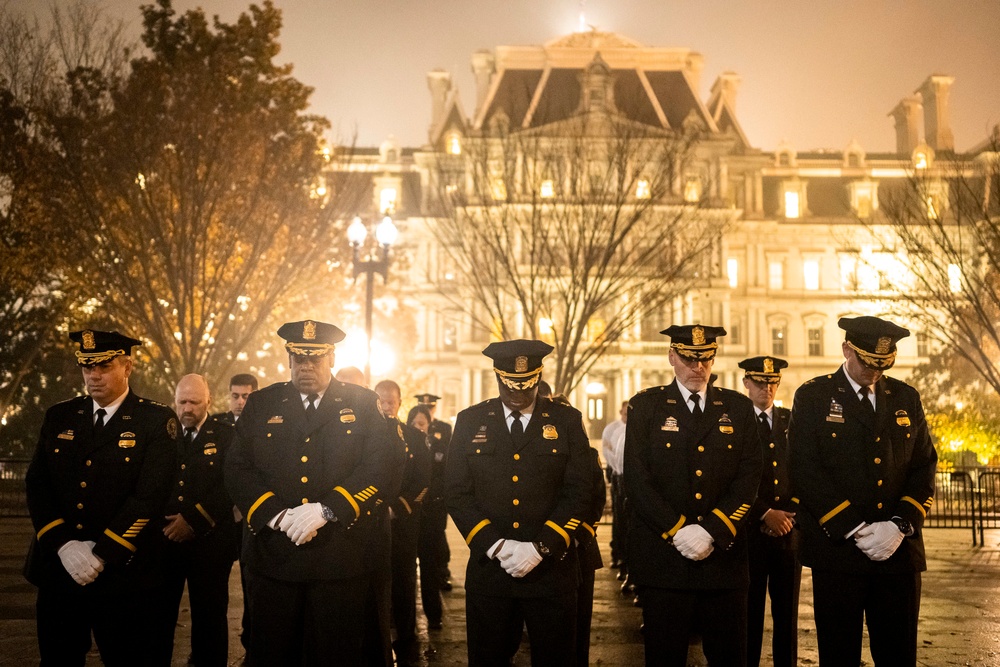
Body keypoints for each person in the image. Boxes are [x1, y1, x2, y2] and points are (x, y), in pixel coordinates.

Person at [224, 320, 399, 666]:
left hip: (339, 557)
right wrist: (275, 514)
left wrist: (329, 509)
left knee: (335, 654)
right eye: (298, 358)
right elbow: (237, 467)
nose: (306, 367)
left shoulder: (362, 404)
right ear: (288, 358)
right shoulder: (262, 403)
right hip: (275, 557)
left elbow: (382, 467)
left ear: (331, 358)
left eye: (315, 359)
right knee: (272, 654)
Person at [789, 316, 937, 666]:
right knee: (839, 654)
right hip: (839, 551)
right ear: (846, 350)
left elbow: (924, 465)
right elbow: (804, 469)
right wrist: (853, 527)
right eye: (868, 362)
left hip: (898, 551)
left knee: (899, 654)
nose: (875, 372)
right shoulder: (813, 396)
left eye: (883, 364)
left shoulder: (905, 396)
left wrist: (899, 525)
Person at [24, 329, 178, 666]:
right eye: (87, 367)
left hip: (124, 573)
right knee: (57, 659)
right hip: (60, 570)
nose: (94, 376)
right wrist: (64, 545)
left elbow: (149, 495)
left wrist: (101, 552)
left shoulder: (155, 420)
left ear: (127, 367)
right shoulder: (60, 416)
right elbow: (38, 484)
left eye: (104, 367)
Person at [446, 339, 593, 666]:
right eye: (510, 385)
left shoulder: (566, 421)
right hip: (491, 573)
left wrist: (542, 546)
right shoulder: (470, 421)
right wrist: (494, 545)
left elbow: (581, 491)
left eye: (528, 385)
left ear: (539, 378)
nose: (519, 393)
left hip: (552, 572)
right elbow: (456, 492)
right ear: (498, 377)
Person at [623, 324, 762, 666]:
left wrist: (711, 530)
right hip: (664, 563)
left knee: (730, 658)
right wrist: (679, 529)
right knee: (665, 657)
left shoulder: (738, 409)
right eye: (688, 359)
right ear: (672, 357)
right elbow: (638, 481)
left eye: (706, 358)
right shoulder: (647, 407)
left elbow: (749, 476)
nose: (698, 367)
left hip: (723, 563)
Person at [153, 374, 238, 667]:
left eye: (195, 402)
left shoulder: (226, 435)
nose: (187, 409)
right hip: (165, 540)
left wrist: (192, 520)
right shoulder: (163, 434)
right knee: (159, 614)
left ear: (209, 402)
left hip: (210, 543)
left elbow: (231, 485)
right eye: (182, 402)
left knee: (210, 615)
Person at [738, 356, 800, 667]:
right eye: (761, 382)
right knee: (748, 611)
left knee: (787, 614)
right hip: (750, 530)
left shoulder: (791, 421)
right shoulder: (737, 423)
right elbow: (733, 476)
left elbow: (804, 472)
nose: (768, 388)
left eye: (773, 382)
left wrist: (788, 516)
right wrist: (763, 514)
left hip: (787, 531)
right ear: (746, 383)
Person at [376, 381, 432, 666]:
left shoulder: (412, 436)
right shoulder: (364, 434)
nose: (386, 407)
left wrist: (398, 509)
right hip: (369, 523)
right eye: (381, 401)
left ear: (400, 403)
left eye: (391, 402)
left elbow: (423, 480)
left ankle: (406, 635)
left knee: (404, 580)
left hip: (403, 522)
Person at [407, 403, 444, 629]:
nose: (418, 427)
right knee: (408, 570)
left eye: (422, 423)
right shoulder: (405, 444)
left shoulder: (439, 446)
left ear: (429, 425)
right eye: (414, 423)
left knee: (431, 567)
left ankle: (434, 614)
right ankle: (407, 618)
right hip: (410, 513)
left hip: (432, 515)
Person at [415, 392, 455, 600]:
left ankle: (442, 572)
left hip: (437, 499)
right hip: (418, 502)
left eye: (430, 408)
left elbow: (447, 461)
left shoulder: (443, 429)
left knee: (438, 538)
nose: (427, 410)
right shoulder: (412, 432)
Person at [601, 401, 628, 570]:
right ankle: (617, 554)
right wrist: (617, 471)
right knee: (619, 520)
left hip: (625, 476)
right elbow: (608, 451)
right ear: (620, 412)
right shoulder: (613, 429)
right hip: (618, 475)